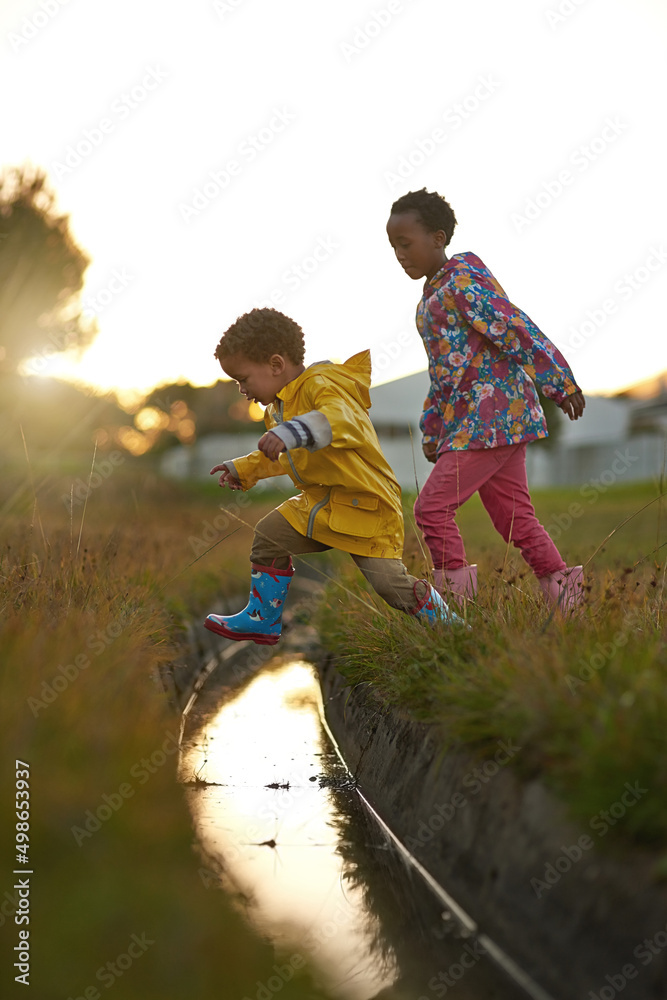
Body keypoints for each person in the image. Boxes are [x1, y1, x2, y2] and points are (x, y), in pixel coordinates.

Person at [204, 307, 460, 645]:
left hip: (365, 506)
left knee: (390, 586)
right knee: (269, 534)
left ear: (276, 365)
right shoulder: (279, 407)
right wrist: (244, 469)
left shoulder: (323, 386)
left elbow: (336, 421)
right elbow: (287, 455)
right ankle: (262, 619)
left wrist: (292, 431)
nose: (240, 389)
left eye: (243, 379)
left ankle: (454, 629)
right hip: (322, 505)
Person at [385, 188, 586, 613]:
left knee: (431, 509)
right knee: (515, 519)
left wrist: (559, 380)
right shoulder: (430, 300)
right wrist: (434, 427)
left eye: (406, 244)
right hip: (483, 424)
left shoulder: (462, 284)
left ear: (438, 238)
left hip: (493, 420)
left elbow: (514, 328)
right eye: (393, 248)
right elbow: (445, 373)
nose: (400, 255)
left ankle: (455, 617)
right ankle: (569, 605)